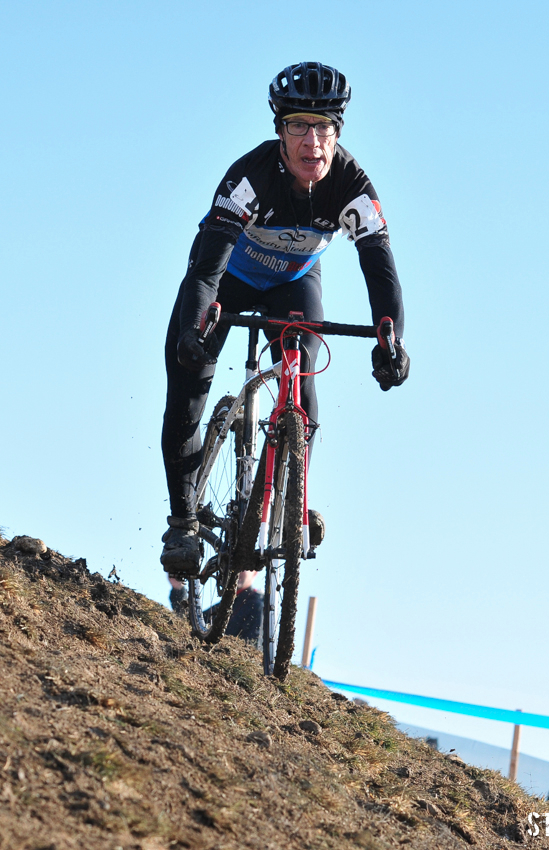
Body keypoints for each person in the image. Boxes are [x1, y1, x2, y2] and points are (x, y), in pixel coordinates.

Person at [159, 61, 410, 575]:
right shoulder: (248, 178)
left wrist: (391, 341)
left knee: (304, 376)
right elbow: (207, 268)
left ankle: (288, 506)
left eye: (323, 128)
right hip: (227, 277)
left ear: (337, 133)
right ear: (280, 132)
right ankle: (183, 523)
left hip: (294, 284)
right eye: (299, 125)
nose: (312, 141)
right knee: (187, 385)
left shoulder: (353, 185)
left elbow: (379, 268)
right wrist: (193, 328)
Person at [167, 570, 263, 643]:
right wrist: (178, 588)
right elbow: (191, 622)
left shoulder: (257, 606)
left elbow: (253, 646)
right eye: (236, 567)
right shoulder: (228, 603)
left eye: (244, 568)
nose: (238, 572)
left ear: (255, 573)